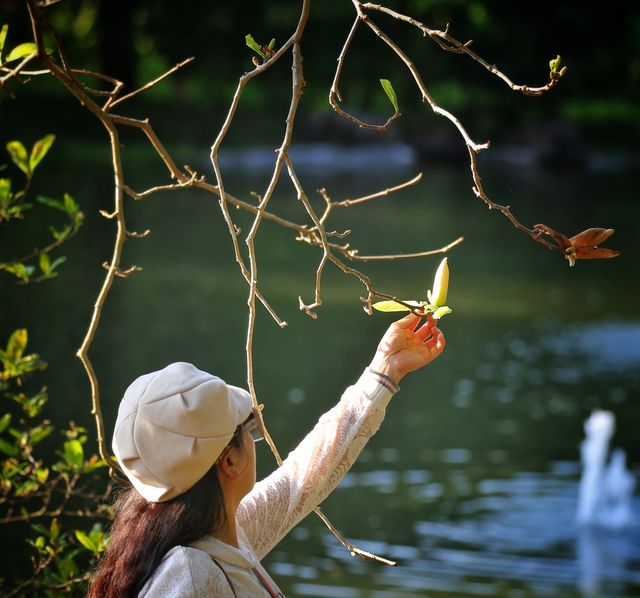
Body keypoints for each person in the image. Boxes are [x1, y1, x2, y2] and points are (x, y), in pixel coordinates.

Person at [87, 313, 445, 597]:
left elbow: (301, 481)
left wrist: (385, 369)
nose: (254, 439)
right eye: (250, 430)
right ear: (228, 461)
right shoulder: (190, 574)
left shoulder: (219, 533)